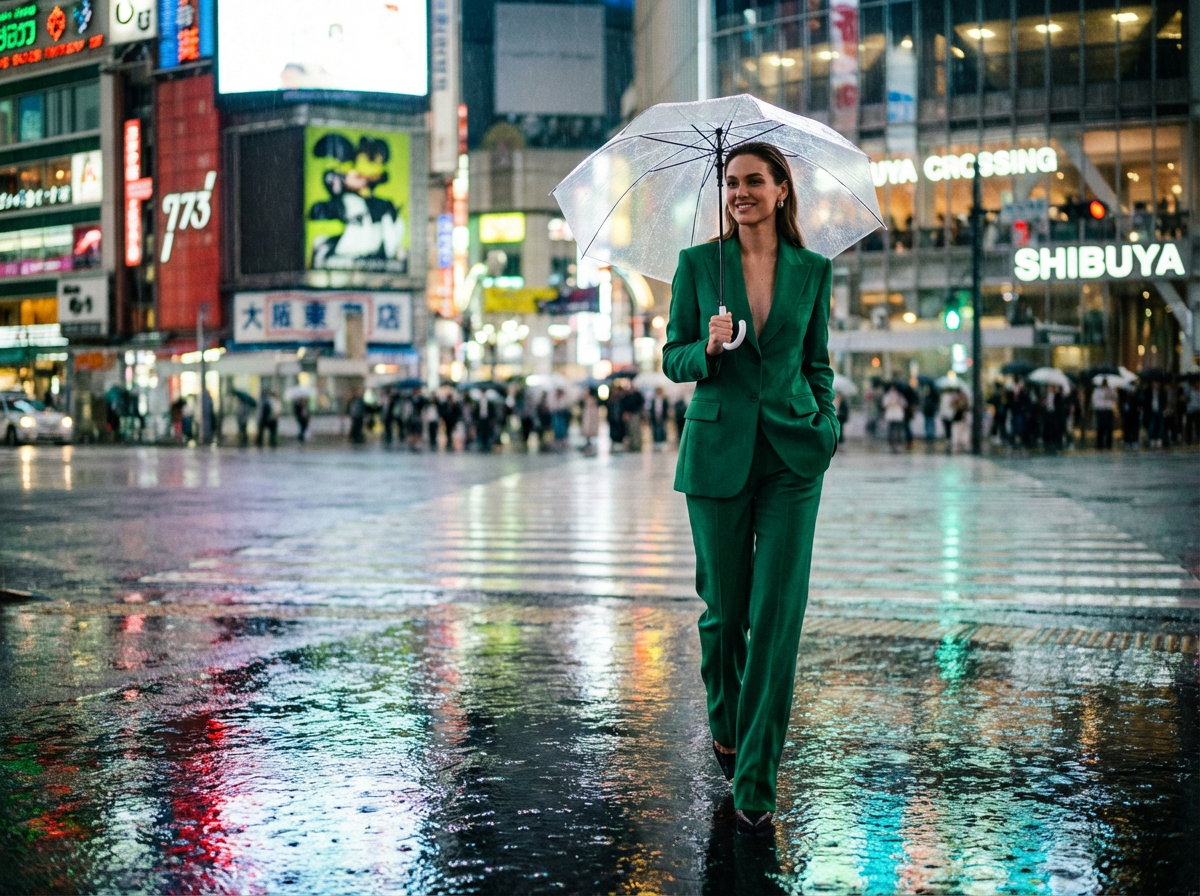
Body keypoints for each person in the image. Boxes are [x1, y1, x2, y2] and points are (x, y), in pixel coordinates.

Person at [662, 141, 838, 838]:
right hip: (717, 453)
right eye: (732, 182)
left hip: (794, 457)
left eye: (754, 181)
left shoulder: (812, 271)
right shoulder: (698, 265)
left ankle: (757, 776)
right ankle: (725, 721)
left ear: (781, 190)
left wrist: (825, 427)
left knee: (777, 616)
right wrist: (704, 345)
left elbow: (817, 360)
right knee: (725, 613)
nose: (741, 192)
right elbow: (673, 358)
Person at [881, 384, 907, 452]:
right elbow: (884, 405)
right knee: (890, 431)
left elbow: (905, 405)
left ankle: (899, 444)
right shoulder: (887, 396)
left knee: (898, 431)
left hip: (898, 416)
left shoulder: (900, 396)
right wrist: (890, 401)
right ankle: (890, 444)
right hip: (890, 416)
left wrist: (898, 400)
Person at [1093, 378, 1116, 449]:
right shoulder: (1097, 391)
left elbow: (1115, 397)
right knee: (1101, 427)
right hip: (1101, 410)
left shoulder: (1111, 390)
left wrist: (1110, 394)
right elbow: (1095, 401)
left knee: (1109, 427)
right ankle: (1100, 444)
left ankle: (1109, 444)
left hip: (1108, 410)